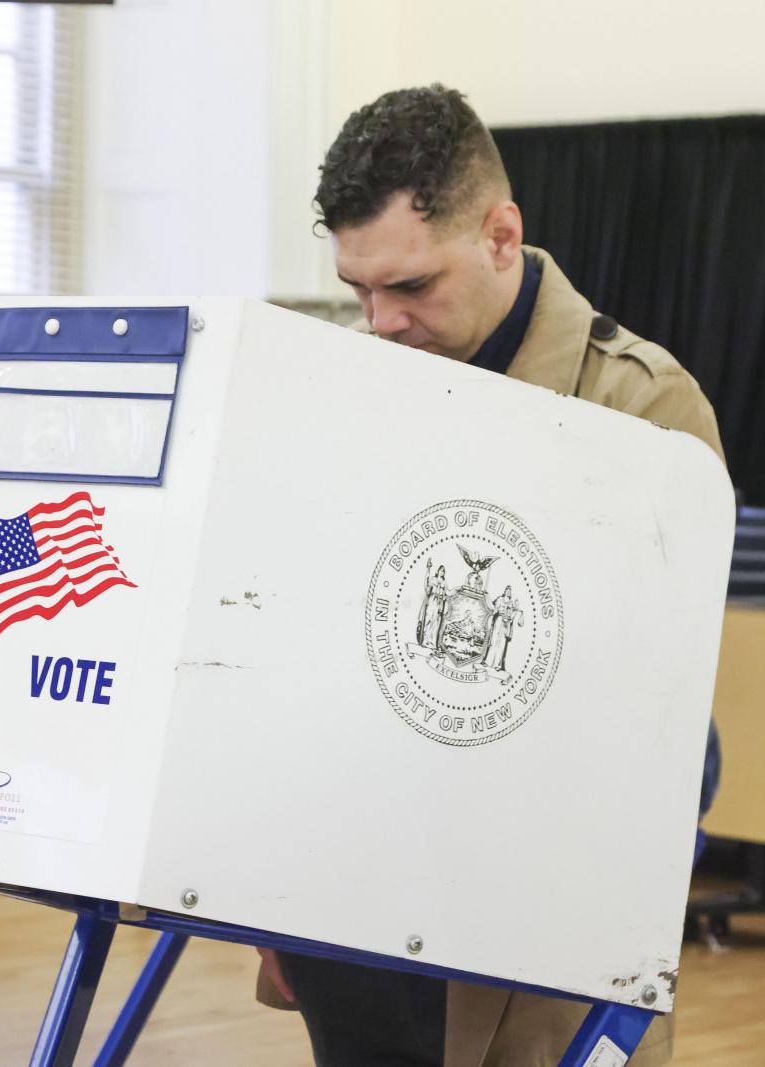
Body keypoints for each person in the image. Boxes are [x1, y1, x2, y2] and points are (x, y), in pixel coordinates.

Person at [254, 85, 724, 1067]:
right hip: (350, 893)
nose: (379, 320)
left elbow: (654, 709)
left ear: (501, 234)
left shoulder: (640, 411)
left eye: (411, 286)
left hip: (530, 922)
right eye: (358, 290)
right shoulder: (344, 387)